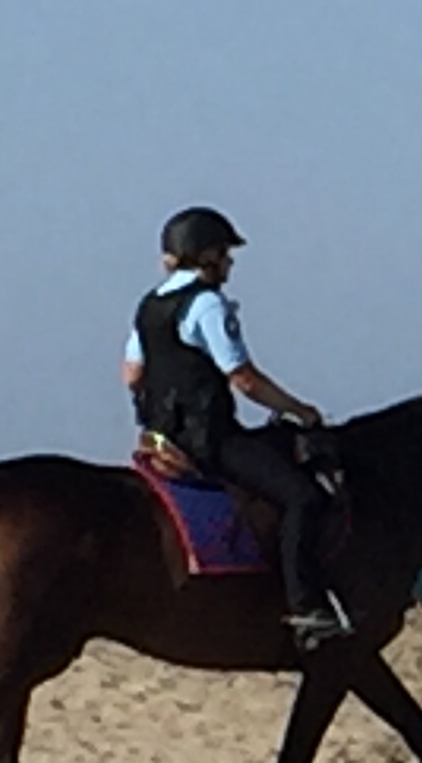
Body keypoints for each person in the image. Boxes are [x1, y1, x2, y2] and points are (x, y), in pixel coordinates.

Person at [122, 205, 352, 648]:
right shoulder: (206, 303)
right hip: (209, 439)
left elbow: (132, 374)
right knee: (304, 497)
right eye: (225, 253)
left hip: (161, 439)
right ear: (206, 255)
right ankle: (306, 606)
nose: (230, 262)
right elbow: (244, 379)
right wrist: (300, 410)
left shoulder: (149, 306)